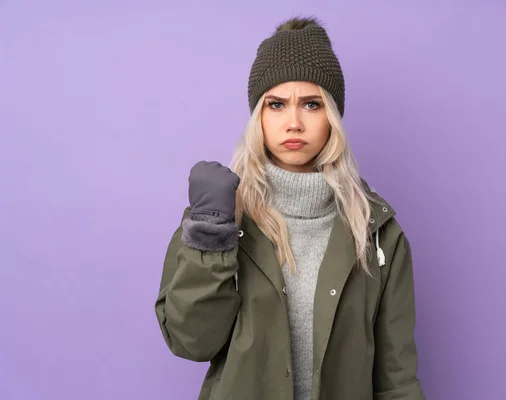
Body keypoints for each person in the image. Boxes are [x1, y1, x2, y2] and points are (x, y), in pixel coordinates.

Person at [154, 16, 426, 400]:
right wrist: (212, 235)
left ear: (331, 116)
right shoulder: (219, 217)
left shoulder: (378, 233)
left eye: (311, 104)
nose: (294, 123)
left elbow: (397, 378)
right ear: (258, 117)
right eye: (277, 104)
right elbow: (191, 341)